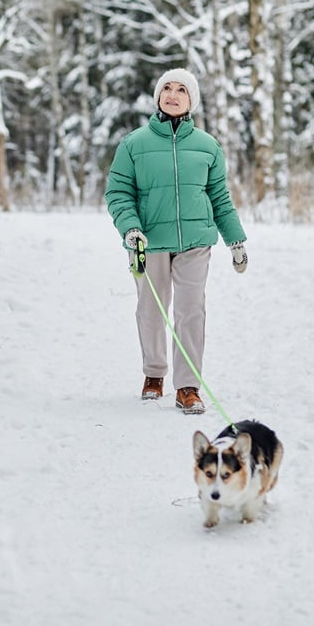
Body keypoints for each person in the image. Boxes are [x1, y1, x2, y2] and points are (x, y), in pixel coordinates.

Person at [104, 68, 248, 414]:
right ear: (157, 97)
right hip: (148, 242)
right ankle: (154, 375)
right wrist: (131, 229)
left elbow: (220, 197)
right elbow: (118, 192)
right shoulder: (134, 144)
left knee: (190, 311)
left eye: (180, 89)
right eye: (166, 88)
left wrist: (236, 240)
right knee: (151, 310)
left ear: (191, 99)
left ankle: (187, 386)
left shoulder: (207, 146)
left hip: (196, 240)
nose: (172, 94)